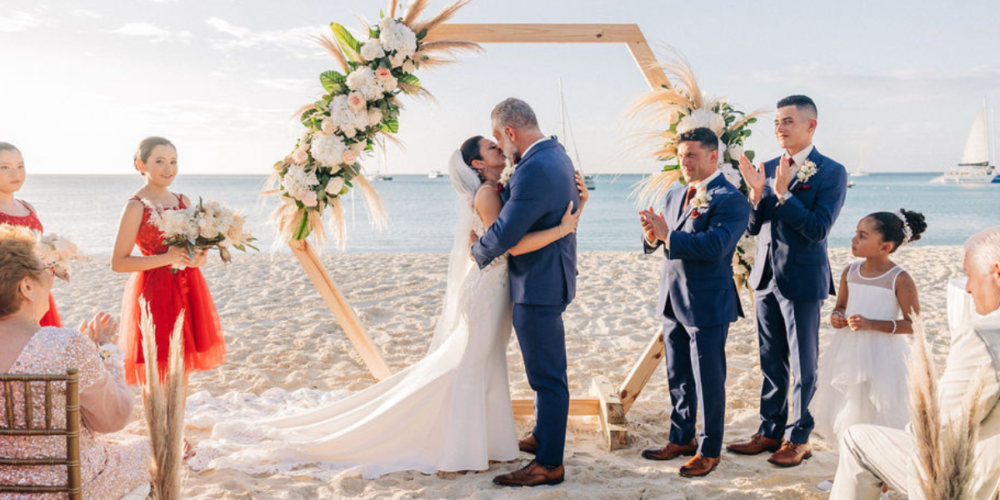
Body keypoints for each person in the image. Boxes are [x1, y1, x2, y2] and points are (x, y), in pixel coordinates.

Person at [189, 136, 586, 479]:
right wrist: (565, 227)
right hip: (488, 290)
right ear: (478, 164)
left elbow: (517, 221)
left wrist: (574, 199)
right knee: (470, 362)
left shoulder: (499, 187)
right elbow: (508, 242)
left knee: (484, 362)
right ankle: (462, 446)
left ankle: (485, 439)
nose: (501, 147)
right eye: (492, 146)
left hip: (498, 288)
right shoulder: (485, 194)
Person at [829, 225, 1000, 500]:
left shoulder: (983, 335)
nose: (967, 289)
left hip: (970, 478)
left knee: (855, 440)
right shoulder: (851, 272)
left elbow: (941, 424)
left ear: (997, 273)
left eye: (969, 275)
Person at [730, 95, 848, 466]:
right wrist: (755, 192)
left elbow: (817, 229)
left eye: (788, 121)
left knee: (804, 363)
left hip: (802, 277)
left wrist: (783, 194)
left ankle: (799, 438)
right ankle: (769, 430)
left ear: (811, 125)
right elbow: (753, 226)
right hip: (764, 277)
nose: (780, 128)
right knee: (771, 360)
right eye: (777, 122)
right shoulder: (766, 166)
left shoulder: (831, 171)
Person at [471, 98, 582, 487]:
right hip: (553, 275)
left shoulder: (535, 169)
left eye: (502, 141)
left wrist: (477, 250)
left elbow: (506, 236)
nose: (503, 150)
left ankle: (549, 463)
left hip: (539, 285)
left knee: (547, 377)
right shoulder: (557, 154)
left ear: (511, 132)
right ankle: (541, 435)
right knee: (544, 372)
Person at [0, 228, 149, 500]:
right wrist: (104, 353)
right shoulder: (66, 345)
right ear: (27, 287)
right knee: (154, 449)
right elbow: (113, 419)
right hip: (67, 486)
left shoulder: (67, 345)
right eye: (46, 269)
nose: (52, 277)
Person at [638, 127, 750, 478]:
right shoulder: (675, 195)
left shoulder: (731, 199)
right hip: (672, 297)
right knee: (679, 376)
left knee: (708, 379)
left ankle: (709, 449)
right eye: (680, 155)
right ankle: (681, 438)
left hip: (707, 301)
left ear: (713, 156)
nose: (683, 162)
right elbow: (665, 241)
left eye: (691, 155)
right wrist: (651, 237)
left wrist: (668, 235)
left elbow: (716, 247)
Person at [813, 209, 926, 492]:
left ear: (885, 247)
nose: (853, 239)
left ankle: (883, 479)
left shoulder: (899, 278)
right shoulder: (850, 271)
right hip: (849, 350)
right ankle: (848, 471)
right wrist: (837, 317)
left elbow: (913, 324)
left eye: (862, 236)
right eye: (856, 232)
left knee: (880, 410)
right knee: (850, 406)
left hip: (883, 355)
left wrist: (872, 323)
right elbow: (840, 305)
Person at [111, 136, 226, 387]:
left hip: (188, 285)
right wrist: (166, 258)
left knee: (181, 365)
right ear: (142, 165)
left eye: (173, 161)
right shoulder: (136, 205)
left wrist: (199, 258)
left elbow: (195, 256)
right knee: (157, 366)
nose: (168, 168)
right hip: (154, 289)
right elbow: (118, 262)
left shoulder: (182, 201)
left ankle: (176, 424)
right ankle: (158, 425)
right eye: (160, 161)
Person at [0, 142, 62, 327]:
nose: (16, 173)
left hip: (37, 291)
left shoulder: (28, 207)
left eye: (20, 166)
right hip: (8, 297)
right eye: (5, 167)